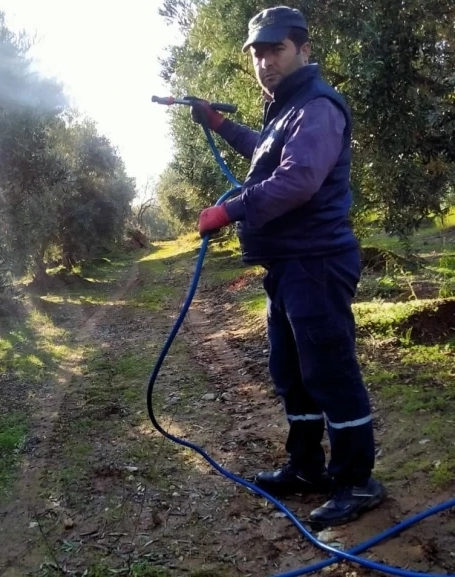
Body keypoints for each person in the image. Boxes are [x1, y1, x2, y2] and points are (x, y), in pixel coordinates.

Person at [189, 5, 385, 528]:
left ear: (303, 49)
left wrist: (228, 210)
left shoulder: (318, 106)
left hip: (316, 261)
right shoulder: (286, 110)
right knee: (292, 371)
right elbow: (266, 156)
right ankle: (306, 467)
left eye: (275, 49)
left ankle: (357, 481)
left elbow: (299, 179)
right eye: (257, 52)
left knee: (330, 370)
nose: (265, 61)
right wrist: (223, 124)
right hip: (288, 265)